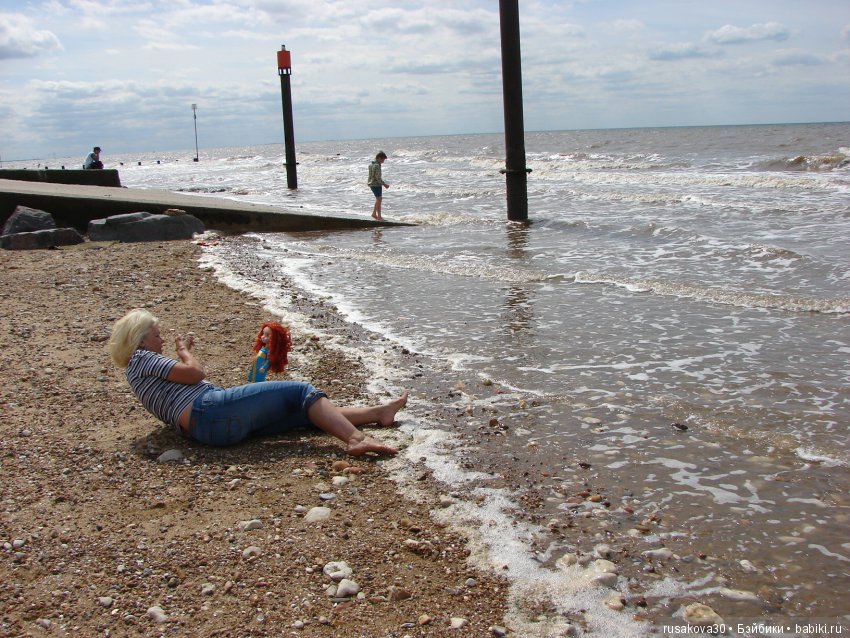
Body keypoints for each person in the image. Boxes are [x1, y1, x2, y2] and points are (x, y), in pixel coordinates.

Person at [108, 309, 406, 455]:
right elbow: (195, 373)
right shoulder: (142, 358)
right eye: (157, 335)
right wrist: (184, 351)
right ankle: (357, 439)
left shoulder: (137, 369)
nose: (161, 340)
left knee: (301, 412)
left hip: (208, 429)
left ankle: (376, 413)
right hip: (210, 412)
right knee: (302, 391)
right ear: (139, 339)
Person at [367, 151, 390, 220]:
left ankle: (374, 213)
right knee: (379, 199)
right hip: (376, 184)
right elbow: (378, 178)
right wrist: (384, 184)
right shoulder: (377, 166)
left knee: (378, 199)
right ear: (379, 158)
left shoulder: (371, 164)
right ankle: (379, 216)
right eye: (383, 159)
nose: (383, 161)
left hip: (371, 183)